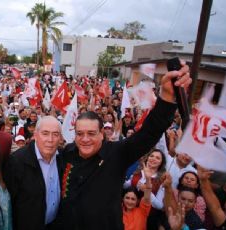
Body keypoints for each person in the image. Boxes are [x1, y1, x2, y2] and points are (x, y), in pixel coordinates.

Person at [54, 62, 191, 230]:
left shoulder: (117, 153)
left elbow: (148, 134)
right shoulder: (67, 153)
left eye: (91, 133)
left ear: (102, 134)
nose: (85, 139)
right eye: (80, 133)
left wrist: (168, 97)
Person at [4, 116, 63, 230]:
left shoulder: (63, 158)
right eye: (45, 133)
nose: (50, 139)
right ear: (35, 135)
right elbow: (8, 205)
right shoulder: (16, 162)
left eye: (55, 134)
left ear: (60, 138)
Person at [122, 163, 152, 230]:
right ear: (123, 199)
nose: (129, 201)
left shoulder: (142, 211)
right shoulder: (117, 211)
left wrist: (148, 179)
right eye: (127, 198)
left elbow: (147, 197)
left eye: (133, 199)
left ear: (138, 201)